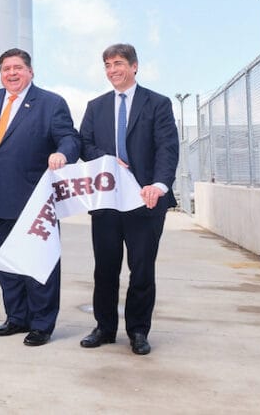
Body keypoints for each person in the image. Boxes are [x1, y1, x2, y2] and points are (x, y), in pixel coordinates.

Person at [0, 48, 80, 346]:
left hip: (34, 200)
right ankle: (16, 317)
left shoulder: (50, 103)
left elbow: (70, 138)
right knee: (7, 262)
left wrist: (62, 153)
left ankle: (42, 324)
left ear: (30, 71)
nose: (12, 73)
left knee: (38, 262)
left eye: (18, 67)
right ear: (0, 73)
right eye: (6, 68)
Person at [78, 43, 178, 355]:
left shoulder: (157, 104)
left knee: (142, 269)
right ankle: (105, 328)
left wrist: (158, 185)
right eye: (107, 65)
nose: (112, 70)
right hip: (108, 201)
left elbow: (167, 148)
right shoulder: (95, 106)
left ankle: (138, 331)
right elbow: (84, 144)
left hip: (145, 202)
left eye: (118, 63)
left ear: (134, 66)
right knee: (105, 268)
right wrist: (107, 159)